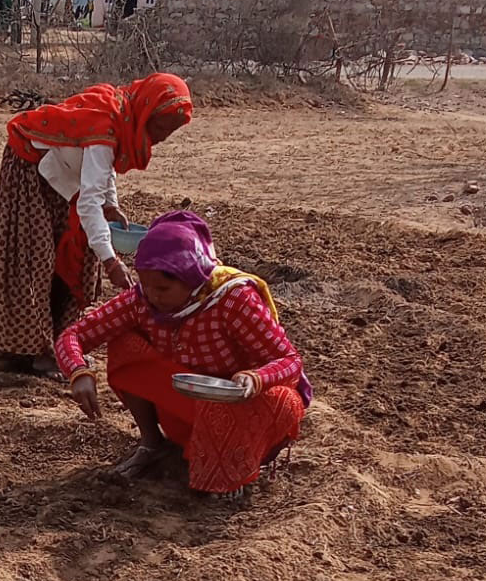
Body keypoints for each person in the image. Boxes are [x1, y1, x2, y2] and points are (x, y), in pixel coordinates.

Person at [55, 211, 312, 498]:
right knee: (125, 343)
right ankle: (152, 443)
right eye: (145, 285)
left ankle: (235, 469)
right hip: (185, 406)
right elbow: (73, 336)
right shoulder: (141, 300)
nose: (153, 296)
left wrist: (256, 379)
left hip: (239, 406)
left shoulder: (232, 299)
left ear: (191, 278)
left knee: (280, 400)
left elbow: (290, 361)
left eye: (163, 288)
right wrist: (78, 371)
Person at [0, 74, 192, 375]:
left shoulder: (122, 116)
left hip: (59, 172)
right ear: (146, 113)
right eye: (159, 128)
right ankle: (33, 350)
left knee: (72, 253)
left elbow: (105, 168)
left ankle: (60, 341)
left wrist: (111, 204)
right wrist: (111, 261)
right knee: (35, 257)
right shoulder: (106, 124)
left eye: (169, 132)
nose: (161, 138)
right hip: (28, 166)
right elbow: (90, 199)